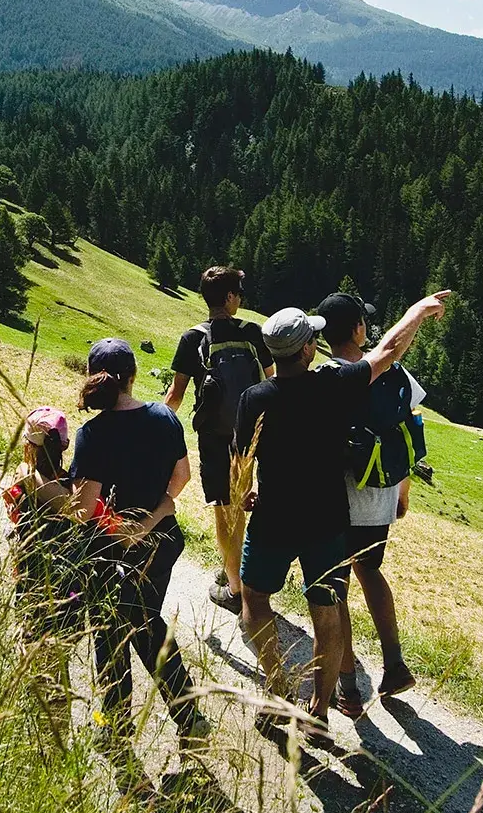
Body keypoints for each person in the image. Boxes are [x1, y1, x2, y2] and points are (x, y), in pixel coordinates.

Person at [234, 292, 451, 731]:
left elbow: (241, 458)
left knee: (255, 599)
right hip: (327, 522)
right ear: (308, 349)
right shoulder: (332, 385)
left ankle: (276, 691)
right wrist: (416, 312)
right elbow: (388, 351)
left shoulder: (254, 397)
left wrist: (247, 492)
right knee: (327, 607)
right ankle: (319, 709)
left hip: (273, 517)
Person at [71, 338, 210, 743]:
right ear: (133, 376)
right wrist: (159, 512)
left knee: (113, 628)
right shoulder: (164, 417)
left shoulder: (92, 434)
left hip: (110, 550)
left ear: (92, 377)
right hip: (161, 544)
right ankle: (187, 716)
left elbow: (85, 509)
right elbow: (182, 477)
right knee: (144, 620)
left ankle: (115, 723)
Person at [314, 293, 425, 703]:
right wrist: (402, 493)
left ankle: (347, 686)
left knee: (334, 590)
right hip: (379, 497)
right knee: (371, 572)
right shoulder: (397, 374)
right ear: (359, 329)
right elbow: (413, 431)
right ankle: (394, 664)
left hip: (337, 499)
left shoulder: (325, 375)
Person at [165, 266, 270, 615]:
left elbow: (177, 394)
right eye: (238, 292)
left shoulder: (192, 337)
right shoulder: (253, 333)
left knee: (225, 510)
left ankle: (234, 588)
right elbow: (271, 382)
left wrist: (155, 425)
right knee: (241, 505)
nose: (240, 298)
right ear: (228, 298)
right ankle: (239, 577)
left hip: (213, 436)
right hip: (250, 436)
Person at [3, 406, 87, 736]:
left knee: (33, 662)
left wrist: (30, 474)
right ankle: (57, 735)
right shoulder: (76, 488)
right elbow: (78, 510)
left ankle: (36, 735)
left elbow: (13, 512)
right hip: (70, 594)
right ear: (65, 446)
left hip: (32, 589)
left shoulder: (20, 485)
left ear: (28, 446)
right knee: (57, 667)